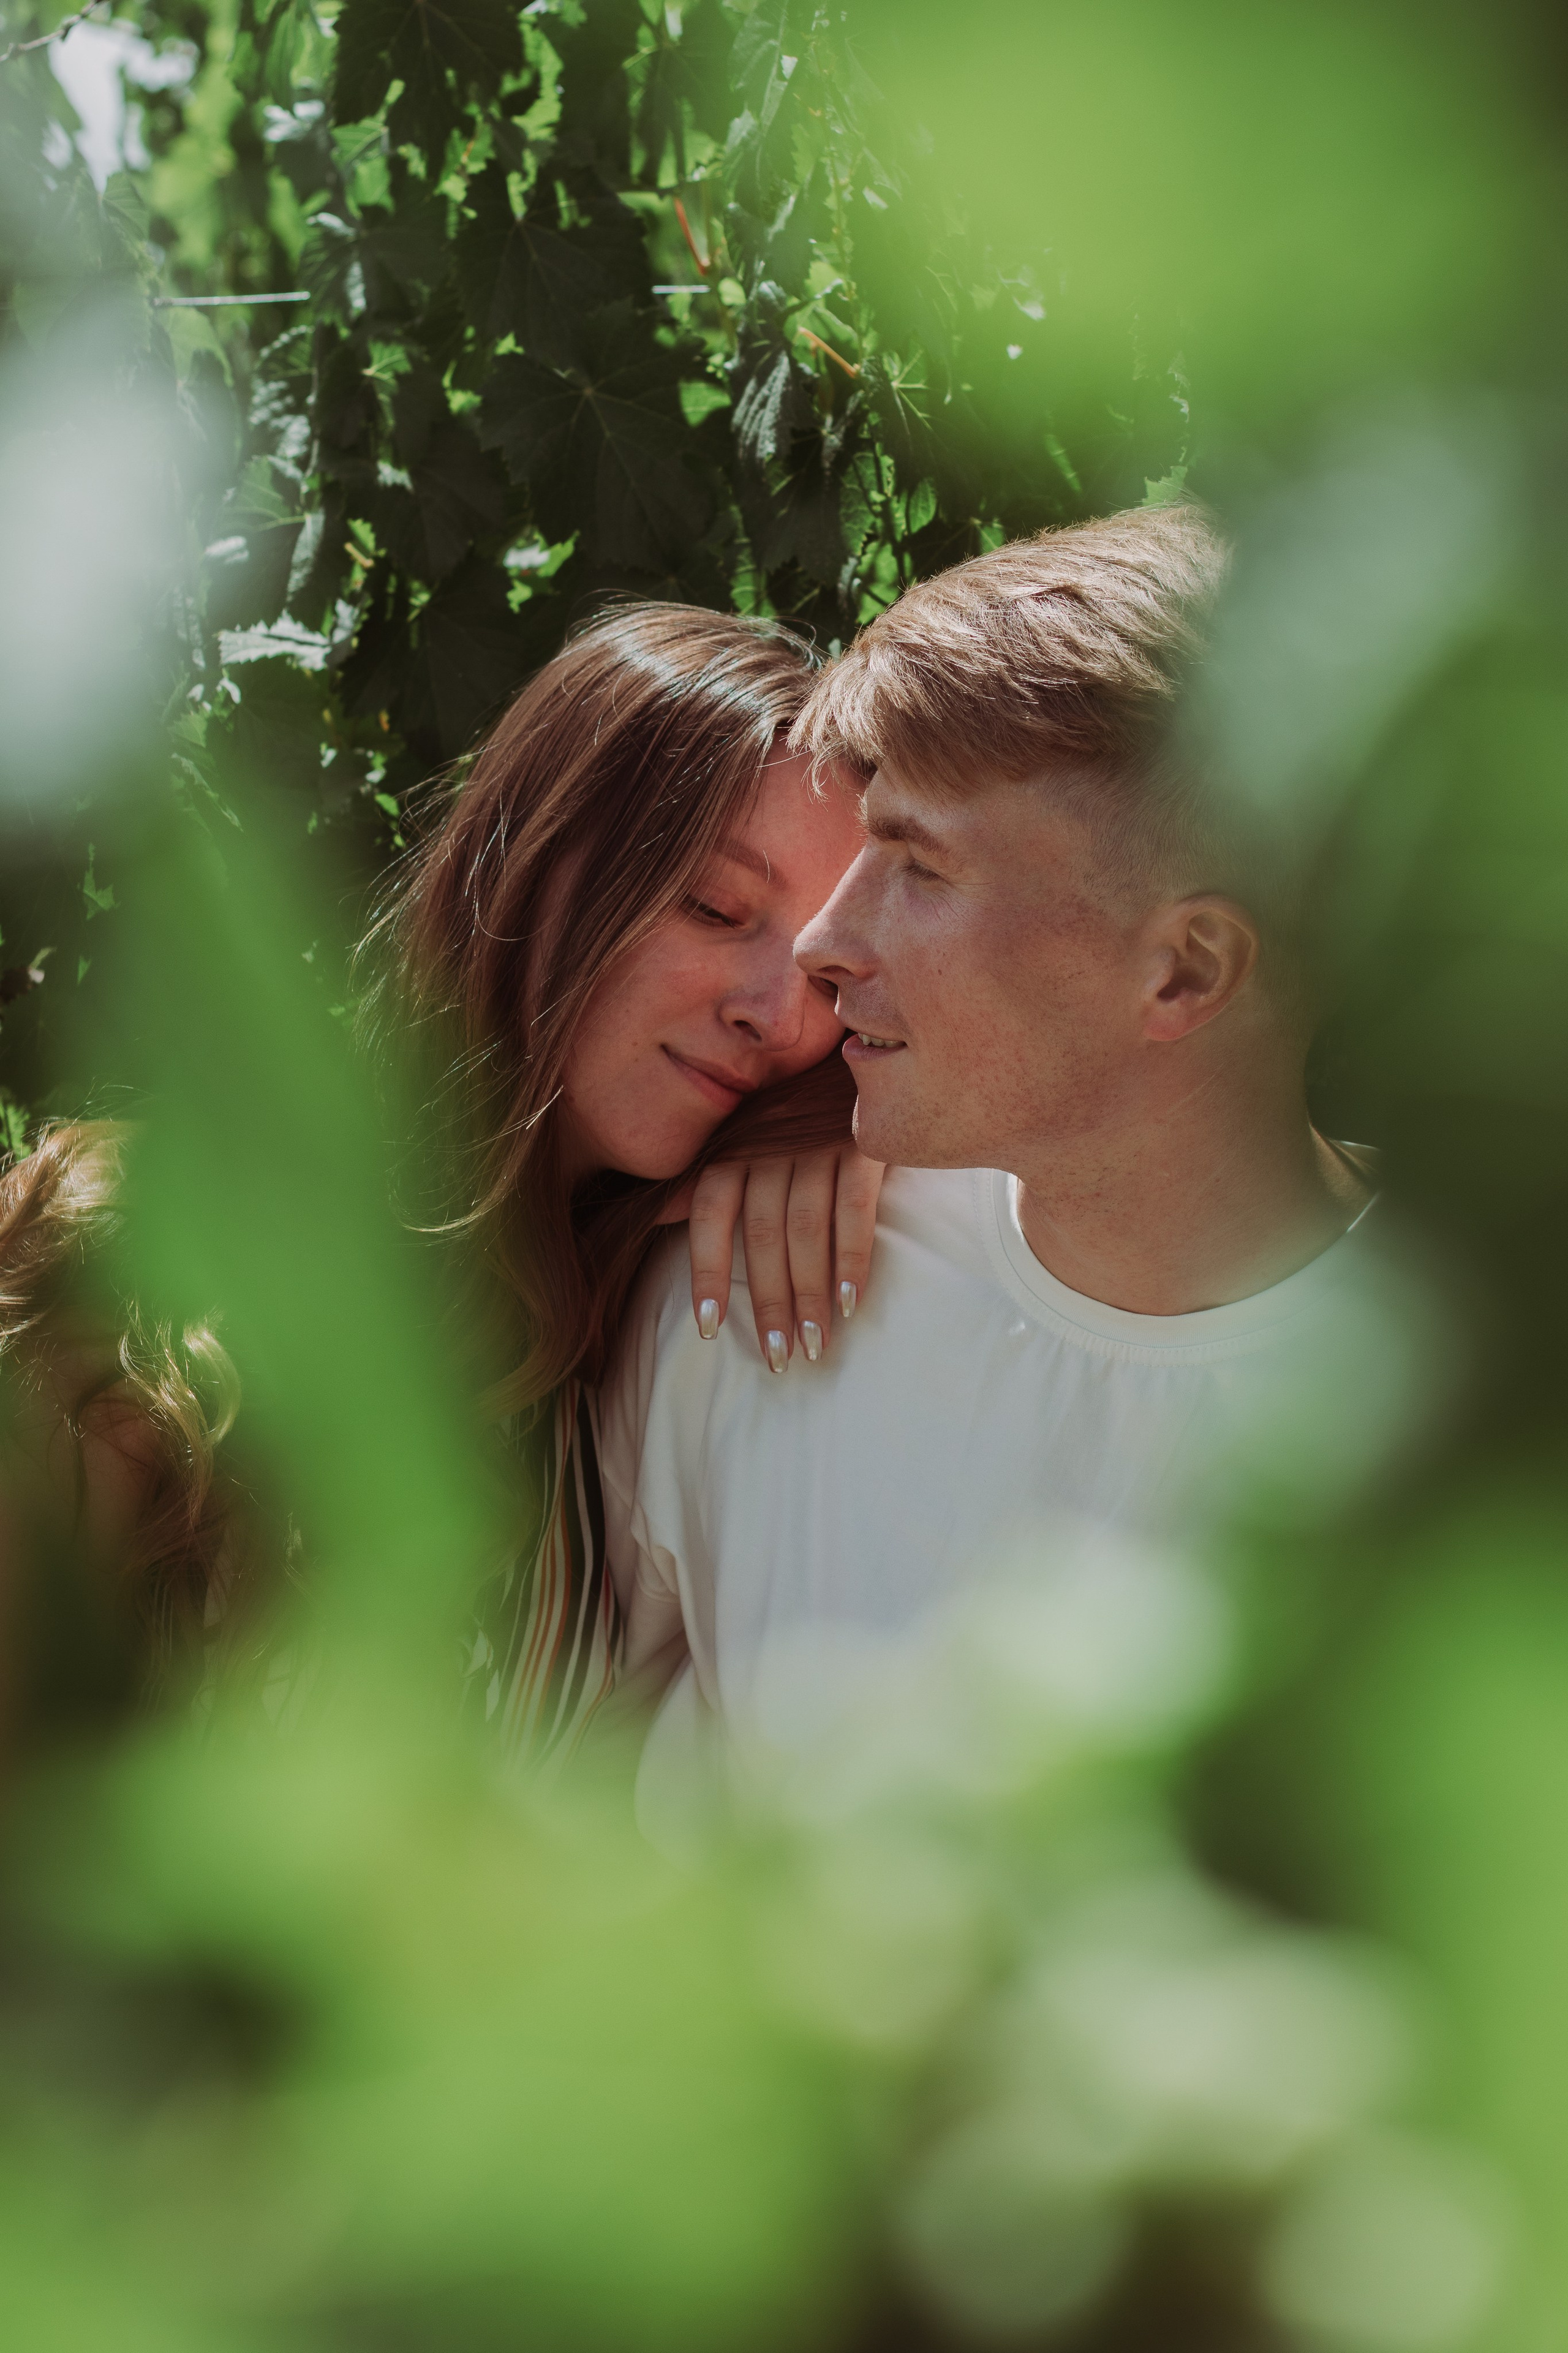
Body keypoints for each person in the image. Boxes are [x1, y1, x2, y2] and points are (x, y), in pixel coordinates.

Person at [597, 507, 1399, 1822]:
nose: (821, 943)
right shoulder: (741, 1301)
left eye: (917, 866)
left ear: (1183, 970)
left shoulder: (1475, 1434)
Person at [369, 603, 877, 1763]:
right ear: (537, 854)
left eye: (829, 974)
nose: (780, 1015)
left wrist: (847, 1130)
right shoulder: (144, 1302)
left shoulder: (614, 1344)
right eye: (716, 907)